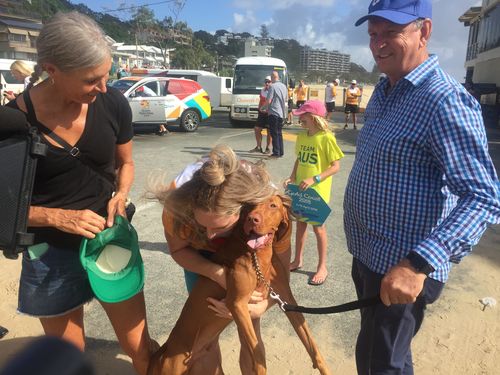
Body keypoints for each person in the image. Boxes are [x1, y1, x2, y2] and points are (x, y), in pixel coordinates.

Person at [345, 1, 500, 374]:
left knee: (380, 365)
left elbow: (483, 197)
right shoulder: (384, 91)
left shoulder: (444, 100)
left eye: (391, 32)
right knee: (382, 355)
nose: (379, 44)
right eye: (373, 34)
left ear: (424, 32)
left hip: (405, 266)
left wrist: (418, 265)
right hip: (368, 256)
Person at [6, 12, 156, 375]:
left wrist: (121, 192)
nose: (104, 87)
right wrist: (56, 217)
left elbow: (127, 163)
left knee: (139, 347)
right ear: (51, 69)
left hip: (109, 239)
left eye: (106, 74)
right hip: (48, 252)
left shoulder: (113, 103)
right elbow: (2, 206)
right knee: (67, 359)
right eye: (92, 79)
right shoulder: (11, 122)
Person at [155, 144, 290, 374]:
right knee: (206, 333)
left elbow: (282, 274)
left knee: (251, 331)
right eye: (203, 225)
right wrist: (217, 274)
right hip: (198, 254)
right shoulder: (177, 206)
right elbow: (179, 251)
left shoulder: (266, 208)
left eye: (219, 227)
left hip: (244, 247)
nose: (209, 235)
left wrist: (262, 306)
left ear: (244, 212)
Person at [284, 100, 344, 286]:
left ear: (312, 117)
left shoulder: (326, 138)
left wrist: (315, 179)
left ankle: (322, 266)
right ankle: (298, 260)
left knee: (318, 228)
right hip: (300, 191)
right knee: (300, 225)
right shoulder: (302, 137)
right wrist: (292, 177)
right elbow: (299, 160)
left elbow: (335, 166)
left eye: (303, 114)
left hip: (317, 192)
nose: (299, 117)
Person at [266, 71, 288, 159]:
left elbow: (269, 100)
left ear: (272, 77)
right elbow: (285, 98)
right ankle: (281, 151)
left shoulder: (272, 87)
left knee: (274, 133)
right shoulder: (284, 86)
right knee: (279, 133)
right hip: (281, 113)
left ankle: (276, 153)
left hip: (274, 112)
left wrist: (263, 108)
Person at [249, 76, 272, 154]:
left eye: (269, 81)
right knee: (257, 129)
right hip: (262, 113)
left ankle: (268, 148)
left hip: (270, 113)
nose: (267, 83)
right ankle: (258, 147)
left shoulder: (273, 90)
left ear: (272, 82)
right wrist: (259, 108)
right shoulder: (262, 90)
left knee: (269, 131)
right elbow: (261, 101)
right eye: (266, 81)